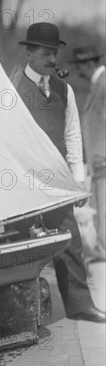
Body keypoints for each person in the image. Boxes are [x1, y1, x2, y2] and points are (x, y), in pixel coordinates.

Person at [10, 22, 105, 323]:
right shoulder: (11, 89)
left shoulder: (64, 89)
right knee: (20, 248)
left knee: (69, 241)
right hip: (22, 183)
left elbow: (73, 134)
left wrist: (78, 179)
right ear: (29, 54)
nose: (53, 59)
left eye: (55, 52)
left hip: (58, 183)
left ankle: (80, 305)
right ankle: (21, 315)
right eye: (47, 53)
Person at [71, 46, 106, 262]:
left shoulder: (103, 84)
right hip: (96, 159)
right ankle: (100, 250)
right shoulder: (97, 85)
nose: (79, 71)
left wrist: (102, 153)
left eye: (80, 66)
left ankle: (102, 251)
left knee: (104, 207)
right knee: (99, 207)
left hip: (102, 158)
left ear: (90, 63)